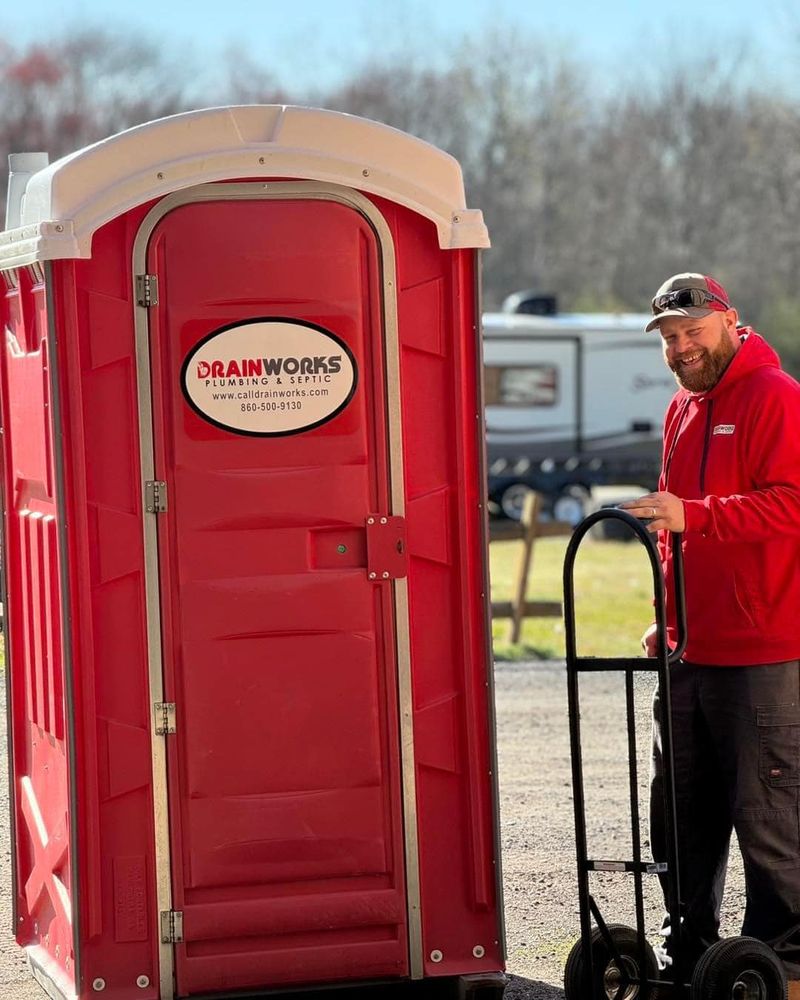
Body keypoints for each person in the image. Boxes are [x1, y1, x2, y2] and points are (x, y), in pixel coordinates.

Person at [619, 273, 800, 988]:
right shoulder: (680, 408)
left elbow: (791, 504)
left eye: (693, 331)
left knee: (768, 817)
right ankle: (689, 956)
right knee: (680, 814)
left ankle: (783, 968)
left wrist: (699, 514)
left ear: (730, 321)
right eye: (669, 337)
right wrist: (666, 620)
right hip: (688, 648)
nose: (681, 347)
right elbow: (673, 535)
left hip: (763, 650)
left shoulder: (776, 397)